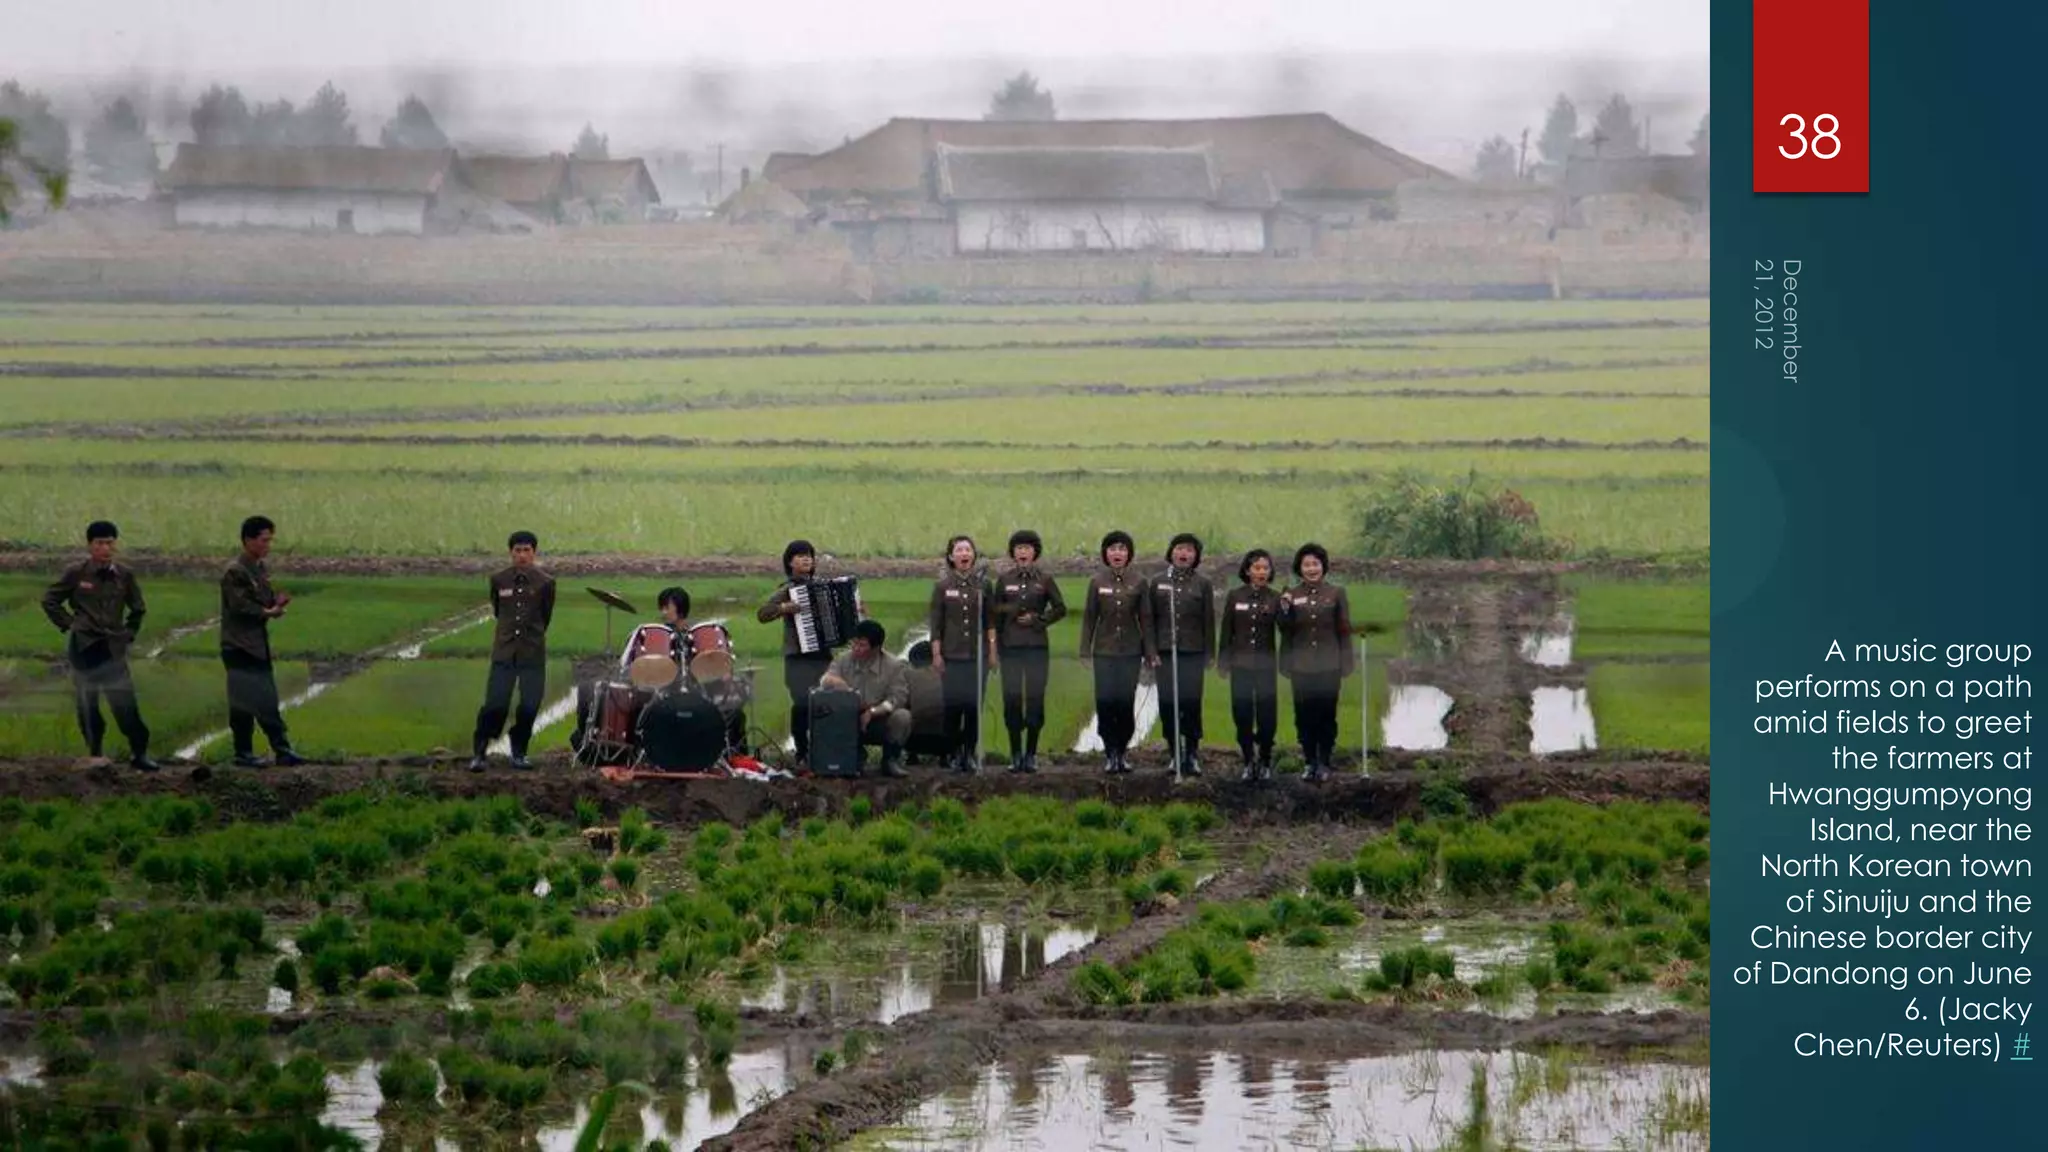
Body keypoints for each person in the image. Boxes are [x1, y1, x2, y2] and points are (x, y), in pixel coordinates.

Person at [41, 520, 157, 771]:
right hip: (84, 647)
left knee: (124, 702)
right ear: (90, 546)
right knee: (88, 703)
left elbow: (138, 609)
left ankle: (140, 753)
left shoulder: (124, 576)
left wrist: (129, 633)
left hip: (112, 648)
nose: (105, 548)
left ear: (115, 545)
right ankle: (95, 753)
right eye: (99, 543)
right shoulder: (77, 573)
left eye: (109, 542)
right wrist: (70, 623)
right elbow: (50, 600)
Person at [220, 515, 304, 768]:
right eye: (264, 540)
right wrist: (268, 612)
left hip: (256, 645)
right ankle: (252, 751)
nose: (268, 545)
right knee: (247, 701)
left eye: (270, 540)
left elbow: (262, 602)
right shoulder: (235, 571)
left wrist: (275, 605)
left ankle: (276, 749)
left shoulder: (259, 569)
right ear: (248, 540)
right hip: (238, 646)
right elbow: (240, 606)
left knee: (261, 698)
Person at [470, 531, 556, 772]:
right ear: (510, 552)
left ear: (534, 553)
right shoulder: (499, 579)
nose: (522, 555)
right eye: (517, 550)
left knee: (529, 706)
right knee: (495, 705)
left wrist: (530, 636)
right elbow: (499, 611)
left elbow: (545, 616)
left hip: (533, 653)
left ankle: (519, 752)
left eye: (526, 550)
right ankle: (479, 752)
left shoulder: (545, 582)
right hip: (505, 653)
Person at [990, 529, 1066, 774]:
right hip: (1010, 648)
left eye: (1027, 548)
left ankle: (1031, 754)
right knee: (1011, 699)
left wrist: (1039, 619)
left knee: (1035, 699)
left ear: (1035, 552)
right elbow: (996, 615)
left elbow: (1060, 608)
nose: (1023, 552)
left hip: (1036, 648)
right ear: (1013, 553)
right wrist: (996, 649)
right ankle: (1015, 754)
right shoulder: (1004, 580)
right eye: (1018, 548)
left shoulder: (1044, 579)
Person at [1279, 542, 1355, 782]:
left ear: (1323, 567)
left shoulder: (1336, 593)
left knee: (1326, 713)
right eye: (1306, 564)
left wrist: (1347, 661)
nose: (1311, 569)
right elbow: (1285, 630)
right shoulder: (1291, 594)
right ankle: (1309, 760)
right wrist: (1284, 610)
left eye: (1315, 564)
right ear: (1299, 568)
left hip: (1329, 666)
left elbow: (1344, 629)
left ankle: (1324, 761)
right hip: (1300, 666)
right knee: (1303, 714)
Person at [1144, 532, 1215, 778]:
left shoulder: (1202, 584)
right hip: (1164, 653)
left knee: (1191, 703)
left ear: (1195, 556)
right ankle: (1174, 753)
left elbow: (1208, 621)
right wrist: (1151, 651)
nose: (1184, 553)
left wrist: (1209, 653)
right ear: (1171, 552)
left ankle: (1192, 754)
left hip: (1192, 652)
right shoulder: (1158, 581)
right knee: (1168, 702)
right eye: (1179, 549)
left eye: (1189, 550)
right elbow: (1149, 620)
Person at [1078, 529, 1148, 775]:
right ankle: (1110, 753)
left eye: (1122, 549)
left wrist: (1150, 653)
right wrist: (1085, 651)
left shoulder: (1139, 582)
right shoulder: (1097, 582)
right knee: (1106, 702)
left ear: (1129, 554)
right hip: (1104, 653)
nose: (1117, 553)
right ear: (1105, 554)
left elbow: (1146, 620)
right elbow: (1089, 619)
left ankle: (1122, 751)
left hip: (1130, 652)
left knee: (1125, 702)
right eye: (1112, 549)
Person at [758, 540, 830, 767]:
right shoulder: (787, 590)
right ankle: (802, 751)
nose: (806, 559)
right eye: (800, 556)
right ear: (790, 562)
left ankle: (825, 748)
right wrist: (783, 608)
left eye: (809, 555)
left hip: (822, 655)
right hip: (797, 657)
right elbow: (762, 614)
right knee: (801, 703)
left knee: (824, 702)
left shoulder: (824, 587)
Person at [927, 534, 993, 774]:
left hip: (978, 658)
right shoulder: (942, 587)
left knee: (974, 707)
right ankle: (953, 753)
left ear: (974, 555)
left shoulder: (983, 585)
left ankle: (969, 753)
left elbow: (990, 622)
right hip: (952, 656)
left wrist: (992, 653)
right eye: (959, 550)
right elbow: (935, 624)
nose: (964, 554)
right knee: (953, 707)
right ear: (951, 557)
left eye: (968, 550)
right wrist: (936, 654)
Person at [1218, 549, 1284, 782]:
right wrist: (1223, 662)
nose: (1261, 572)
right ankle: (1248, 759)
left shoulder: (1276, 598)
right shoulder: (1235, 596)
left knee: (1267, 717)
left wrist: (1286, 610)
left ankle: (1265, 759)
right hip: (1240, 666)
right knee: (1242, 715)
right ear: (1247, 570)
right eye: (1257, 568)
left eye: (1265, 568)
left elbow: (1286, 628)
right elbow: (1227, 631)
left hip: (1265, 667)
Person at [662, 585, 749, 755]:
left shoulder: (696, 635)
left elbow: (713, 664)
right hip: (670, 690)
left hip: (700, 689)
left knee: (735, 711)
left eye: (667, 607)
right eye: (662, 607)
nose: (663, 611)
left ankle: (731, 755)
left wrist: (722, 671)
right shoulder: (662, 636)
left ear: (679, 608)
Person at [819, 619, 913, 777]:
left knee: (902, 716)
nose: (856, 649)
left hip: (877, 720)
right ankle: (852, 757)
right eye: (854, 643)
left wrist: (873, 712)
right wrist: (837, 683)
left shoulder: (894, 666)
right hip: (847, 719)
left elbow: (897, 698)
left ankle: (890, 760)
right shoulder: (843, 659)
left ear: (876, 648)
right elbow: (825, 680)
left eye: (862, 645)